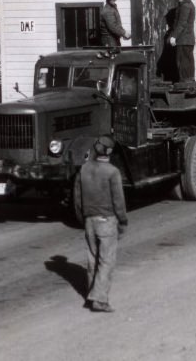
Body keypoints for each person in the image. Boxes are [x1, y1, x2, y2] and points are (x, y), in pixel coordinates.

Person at [73, 134, 128, 313]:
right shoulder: (112, 172)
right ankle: (99, 299)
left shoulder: (84, 169)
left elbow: (78, 198)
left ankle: (91, 294)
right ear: (110, 151)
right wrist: (122, 220)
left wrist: (83, 217)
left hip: (89, 219)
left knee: (92, 259)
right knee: (106, 261)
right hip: (106, 220)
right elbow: (118, 201)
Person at [168, 0, 196, 83]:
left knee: (183, 62)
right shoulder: (187, 4)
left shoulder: (185, 6)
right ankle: (188, 81)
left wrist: (174, 36)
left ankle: (185, 83)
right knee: (187, 62)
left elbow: (182, 23)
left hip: (184, 39)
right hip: (187, 39)